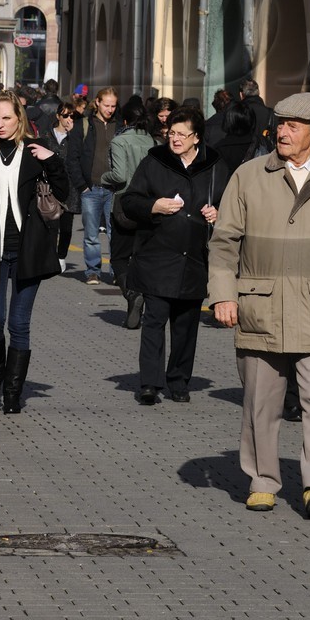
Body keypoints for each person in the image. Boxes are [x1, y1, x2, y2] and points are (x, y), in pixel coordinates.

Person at [209, 92, 310, 518]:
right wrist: (223, 293)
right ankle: (262, 481)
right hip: (260, 307)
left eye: (294, 126)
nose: (283, 131)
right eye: (280, 124)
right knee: (261, 402)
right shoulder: (249, 175)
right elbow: (224, 244)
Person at [0, 90, 70, 415]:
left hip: (29, 250)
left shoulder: (36, 153)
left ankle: (13, 392)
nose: (0, 124)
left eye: (6, 118)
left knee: (19, 324)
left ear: (19, 119)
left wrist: (51, 161)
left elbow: (64, 193)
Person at [122, 106, 228, 404]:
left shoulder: (216, 165)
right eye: (171, 133)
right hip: (158, 254)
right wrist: (154, 206)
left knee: (186, 324)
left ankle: (179, 380)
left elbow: (233, 204)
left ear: (197, 137)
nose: (175, 139)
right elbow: (130, 201)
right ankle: (150, 383)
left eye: (182, 134)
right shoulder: (155, 161)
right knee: (154, 319)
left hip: (195, 256)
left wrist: (218, 212)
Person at [100, 96, 153, 317]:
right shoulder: (152, 141)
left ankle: (132, 294)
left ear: (124, 120)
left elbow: (119, 175)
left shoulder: (119, 141)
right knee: (141, 255)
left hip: (124, 201)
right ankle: (142, 297)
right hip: (149, 202)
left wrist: (103, 178)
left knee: (119, 257)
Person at [65, 86, 120, 286]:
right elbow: (73, 158)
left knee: (115, 233)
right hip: (91, 189)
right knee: (91, 234)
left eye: (113, 105)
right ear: (97, 102)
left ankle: (116, 271)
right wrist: (82, 186)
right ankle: (93, 271)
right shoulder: (84, 125)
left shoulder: (120, 126)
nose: (110, 109)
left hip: (114, 190)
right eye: (106, 105)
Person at [38, 99, 80, 271]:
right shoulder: (47, 134)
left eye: (72, 115)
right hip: (50, 185)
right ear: (58, 116)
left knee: (67, 227)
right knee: (49, 222)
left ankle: (61, 256)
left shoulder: (77, 136)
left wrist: (74, 134)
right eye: (65, 115)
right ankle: (48, 256)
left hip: (70, 186)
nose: (69, 118)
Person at [238, 78, 274, 151]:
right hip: (266, 156)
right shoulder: (271, 113)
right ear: (258, 92)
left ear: (241, 94)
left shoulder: (238, 112)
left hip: (242, 155)